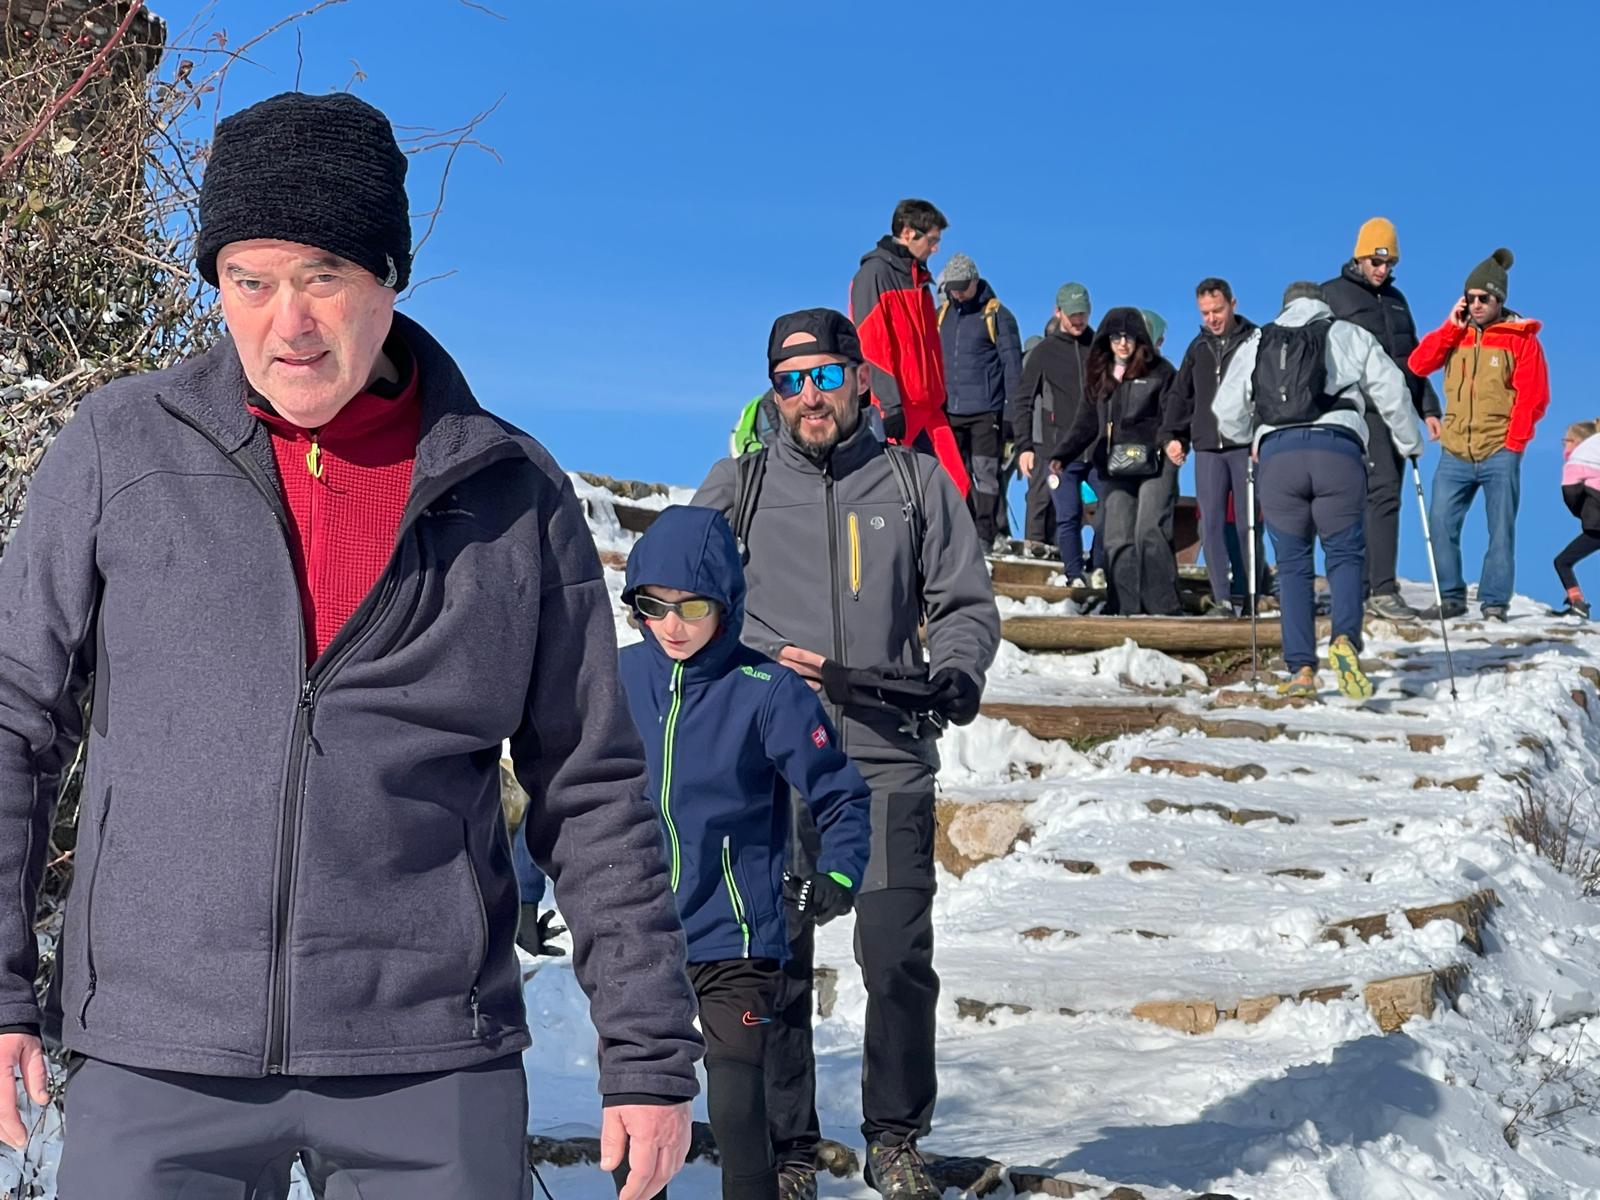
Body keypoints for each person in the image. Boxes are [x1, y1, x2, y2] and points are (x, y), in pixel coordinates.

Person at [0, 92, 702, 1200]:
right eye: (251, 280)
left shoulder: (510, 494)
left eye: (324, 273)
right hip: (155, 1051)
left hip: (426, 1062)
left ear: (389, 275)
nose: (290, 322)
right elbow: (14, 719)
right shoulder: (119, 450)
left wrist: (649, 1055)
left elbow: (593, 783)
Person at [693, 308, 999, 1200]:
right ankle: (788, 1152)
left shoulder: (912, 482)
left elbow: (965, 603)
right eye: (790, 382)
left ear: (860, 379)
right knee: (777, 961)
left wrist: (957, 670)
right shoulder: (739, 487)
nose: (808, 396)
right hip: (773, 769)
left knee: (897, 955)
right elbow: (678, 587)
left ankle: (896, 1139)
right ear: (773, 395)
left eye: (824, 375)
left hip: (884, 757)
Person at [618, 506, 872, 1200]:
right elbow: (570, 791)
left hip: (734, 939)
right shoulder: (616, 679)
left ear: (725, 605)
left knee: (736, 1110)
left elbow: (842, 794)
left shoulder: (767, 692)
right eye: (653, 606)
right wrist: (524, 886)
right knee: (638, 1122)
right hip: (638, 940)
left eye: (691, 607)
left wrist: (840, 873)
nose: (671, 624)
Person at [1213, 282, 1423, 698]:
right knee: (1344, 554)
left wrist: (1251, 437)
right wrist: (1409, 442)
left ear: (1285, 305)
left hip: (1278, 457)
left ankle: (1301, 672)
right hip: (1337, 451)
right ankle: (1344, 639)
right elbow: (1392, 390)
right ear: (1322, 305)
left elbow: (1225, 411)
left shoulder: (1260, 340)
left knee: (1292, 566)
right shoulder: (1347, 333)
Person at [1408, 248, 1551, 622]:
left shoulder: (1520, 339)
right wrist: (1450, 327)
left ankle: (1493, 603)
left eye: (1482, 298)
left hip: (1498, 450)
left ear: (1499, 299)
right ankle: (1451, 597)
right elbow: (1418, 364)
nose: (1475, 304)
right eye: (1469, 298)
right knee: (1440, 523)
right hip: (1455, 451)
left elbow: (1534, 396)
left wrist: (1514, 442)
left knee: (1500, 532)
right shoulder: (1456, 334)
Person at [1321, 218, 1444, 621]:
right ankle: (1372, 588)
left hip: (1396, 411)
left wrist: (1427, 406)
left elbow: (1414, 358)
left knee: (1388, 496)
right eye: (1376, 260)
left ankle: (1377, 585)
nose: (1382, 269)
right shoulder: (1333, 295)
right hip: (1356, 411)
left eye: (1389, 263)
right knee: (1371, 494)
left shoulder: (1396, 300)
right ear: (1359, 255)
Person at [1051, 306, 1185, 614]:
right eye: (1115, 337)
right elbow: (1086, 422)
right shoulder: (1100, 375)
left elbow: (1176, 414)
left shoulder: (1162, 371)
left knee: (1149, 529)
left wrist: (1175, 440)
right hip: (1115, 465)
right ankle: (1126, 607)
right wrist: (1063, 454)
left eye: (1129, 337)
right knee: (1117, 534)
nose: (1122, 343)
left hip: (1157, 461)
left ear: (1140, 339)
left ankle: (1163, 607)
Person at [851, 200, 971, 497]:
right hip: (898, 409)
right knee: (902, 493)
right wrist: (889, 407)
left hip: (930, 407)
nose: (935, 249)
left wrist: (940, 395)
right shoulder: (874, 275)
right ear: (907, 233)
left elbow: (932, 348)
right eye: (932, 240)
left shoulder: (920, 282)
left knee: (957, 487)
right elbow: (871, 346)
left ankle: (956, 545)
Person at [1165, 278, 1259, 614]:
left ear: (1233, 304)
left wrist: (1262, 434)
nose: (1212, 318)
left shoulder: (1255, 342)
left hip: (1244, 446)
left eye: (1217, 310)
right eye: (1205, 313)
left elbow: (1266, 393)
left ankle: (1249, 598)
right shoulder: (1197, 348)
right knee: (1211, 524)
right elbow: (1181, 395)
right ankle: (1222, 601)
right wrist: (1173, 436)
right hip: (1207, 447)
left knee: (1249, 524)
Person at [1011, 284, 1096, 579]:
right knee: (1058, 510)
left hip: (1096, 449)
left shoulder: (1099, 347)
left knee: (1108, 512)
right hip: (1056, 449)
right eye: (1072, 314)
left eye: (1082, 314)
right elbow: (1022, 399)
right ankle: (1062, 573)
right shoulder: (1044, 352)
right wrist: (1024, 446)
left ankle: (1097, 567)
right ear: (1058, 312)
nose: (1077, 320)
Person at [937, 253, 1022, 548]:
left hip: (987, 412)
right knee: (953, 474)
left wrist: (1012, 414)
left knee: (987, 474)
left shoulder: (997, 315)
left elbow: (1013, 367)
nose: (958, 293)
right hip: (950, 410)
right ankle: (960, 529)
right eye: (953, 288)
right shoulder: (943, 314)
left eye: (962, 286)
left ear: (975, 282)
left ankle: (986, 533)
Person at [1555, 419, 1600, 618]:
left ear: (1578, 442)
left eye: (1566, 441)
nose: (1564, 446)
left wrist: (1581, 511)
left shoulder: (1577, 462)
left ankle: (1577, 603)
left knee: (1563, 562)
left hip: (1597, 527)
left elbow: (1570, 493)